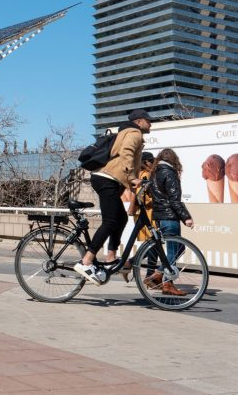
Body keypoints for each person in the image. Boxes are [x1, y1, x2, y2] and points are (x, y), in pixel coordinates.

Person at [74, 109, 152, 284]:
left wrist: (132, 183)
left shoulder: (126, 132)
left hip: (108, 179)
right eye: (148, 120)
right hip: (106, 178)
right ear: (139, 122)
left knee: (121, 218)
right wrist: (132, 177)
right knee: (110, 221)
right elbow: (127, 152)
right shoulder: (134, 133)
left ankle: (110, 257)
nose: (151, 124)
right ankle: (86, 261)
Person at [147, 148, 195, 296]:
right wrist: (186, 217)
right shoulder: (169, 173)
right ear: (174, 160)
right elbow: (174, 199)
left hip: (159, 216)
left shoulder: (154, 173)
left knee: (177, 248)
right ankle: (164, 281)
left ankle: (161, 277)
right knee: (175, 250)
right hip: (170, 216)